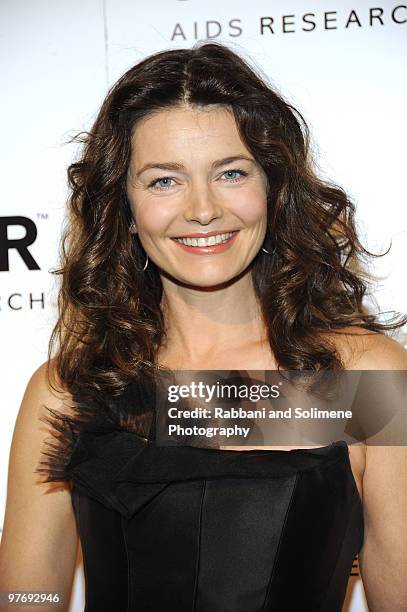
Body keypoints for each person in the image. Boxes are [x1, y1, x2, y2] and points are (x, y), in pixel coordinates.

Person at [1, 41, 407, 612]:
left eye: (231, 173)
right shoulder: (70, 391)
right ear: (125, 206)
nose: (202, 209)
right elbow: (28, 594)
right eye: (164, 180)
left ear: (274, 186)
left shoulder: (363, 377)